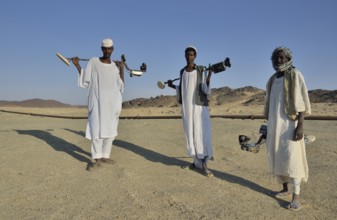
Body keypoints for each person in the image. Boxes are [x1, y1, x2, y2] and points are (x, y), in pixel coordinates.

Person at [264, 47, 311, 210]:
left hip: (290, 125)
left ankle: (296, 196)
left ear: (288, 58)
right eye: (276, 57)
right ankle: (284, 188)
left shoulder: (295, 75)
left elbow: (303, 101)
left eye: (282, 57)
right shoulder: (271, 79)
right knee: (278, 155)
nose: (278, 60)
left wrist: (300, 125)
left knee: (293, 158)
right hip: (275, 126)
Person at [71, 38, 124, 171]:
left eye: (109, 49)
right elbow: (85, 79)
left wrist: (122, 69)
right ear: (101, 49)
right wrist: (77, 65)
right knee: (97, 130)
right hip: (97, 103)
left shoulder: (114, 66)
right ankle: (96, 159)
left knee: (110, 132)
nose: (107, 51)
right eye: (105, 49)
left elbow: (121, 86)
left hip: (112, 104)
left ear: (113, 49)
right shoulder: (93, 61)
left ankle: (105, 156)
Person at [167, 46, 213, 177]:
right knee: (191, 134)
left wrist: (209, 75)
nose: (189, 57)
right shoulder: (182, 71)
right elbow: (183, 89)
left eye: (192, 55)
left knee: (201, 134)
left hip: (199, 107)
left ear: (195, 56)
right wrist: (172, 86)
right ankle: (195, 162)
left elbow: (206, 89)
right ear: (184, 56)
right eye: (187, 55)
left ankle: (204, 164)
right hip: (187, 108)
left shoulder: (201, 69)